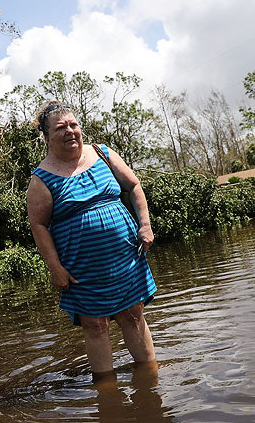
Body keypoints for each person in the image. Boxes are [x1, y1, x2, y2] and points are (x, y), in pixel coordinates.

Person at [26, 100, 157, 382]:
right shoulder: (41, 179)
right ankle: (106, 392)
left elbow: (134, 186)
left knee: (133, 315)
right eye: (61, 127)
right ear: (47, 137)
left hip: (125, 257)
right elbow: (38, 225)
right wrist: (55, 268)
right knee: (95, 326)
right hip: (81, 267)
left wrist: (145, 224)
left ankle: (150, 379)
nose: (70, 131)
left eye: (74, 124)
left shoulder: (102, 153)